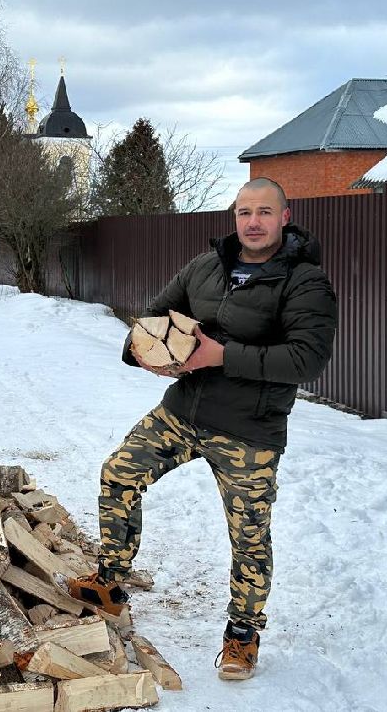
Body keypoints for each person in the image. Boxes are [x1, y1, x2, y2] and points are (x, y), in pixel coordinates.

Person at [67, 177, 338, 680]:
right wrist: (145, 352)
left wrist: (221, 355)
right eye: (244, 212)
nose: (252, 222)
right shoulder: (206, 266)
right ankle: (110, 583)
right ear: (234, 216)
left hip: (248, 430)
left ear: (284, 216)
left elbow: (307, 358)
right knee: (118, 474)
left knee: (248, 534)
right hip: (182, 412)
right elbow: (152, 316)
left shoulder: (305, 282)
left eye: (264, 212)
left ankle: (242, 635)